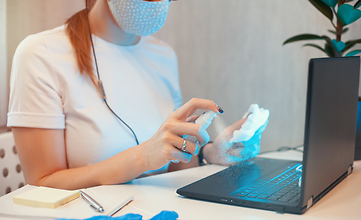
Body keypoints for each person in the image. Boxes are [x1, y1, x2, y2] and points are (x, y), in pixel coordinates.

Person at [7, 0, 261, 190]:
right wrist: (142, 157)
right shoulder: (41, 54)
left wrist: (209, 153)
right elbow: (41, 184)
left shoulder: (163, 56)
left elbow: (175, 166)